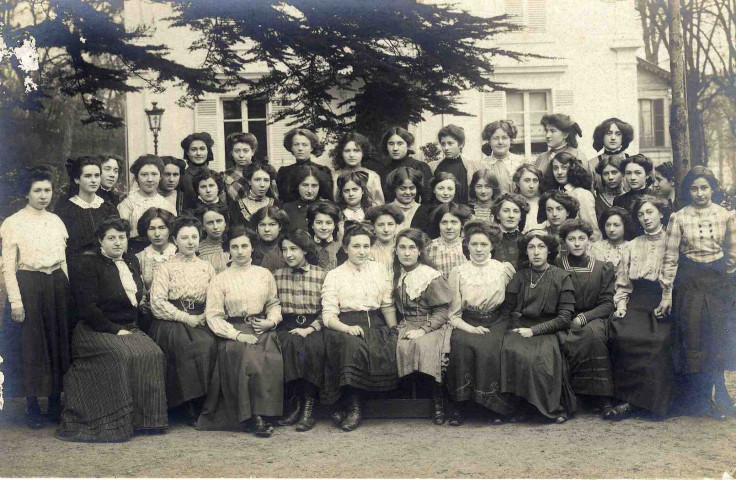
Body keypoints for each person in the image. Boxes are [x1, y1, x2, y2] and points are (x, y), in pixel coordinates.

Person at [57, 217, 167, 442]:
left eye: (122, 237)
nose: (117, 243)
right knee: (121, 355)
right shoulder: (87, 265)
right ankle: (114, 422)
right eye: (111, 238)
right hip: (93, 330)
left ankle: (146, 421)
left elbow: (134, 298)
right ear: (100, 240)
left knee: (154, 353)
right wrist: (115, 330)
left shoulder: (130, 262)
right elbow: (87, 308)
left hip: (127, 328)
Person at [658, 167, 736, 420]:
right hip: (689, 284)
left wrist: (723, 276)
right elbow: (670, 258)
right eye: (694, 188)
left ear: (712, 189)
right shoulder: (678, 218)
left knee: (717, 339)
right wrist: (667, 293)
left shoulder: (726, 216)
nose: (700, 193)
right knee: (695, 339)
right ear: (687, 191)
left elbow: (733, 252)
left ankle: (721, 395)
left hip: (718, 285)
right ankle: (703, 400)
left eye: (704, 188)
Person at [1, 167, 71, 429]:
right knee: (31, 344)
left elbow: (63, 261)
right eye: (37, 191)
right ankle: (32, 406)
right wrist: (16, 302)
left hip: (56, 285)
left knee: (56, 340)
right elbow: (9, 266)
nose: (43, 196)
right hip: (29, 284)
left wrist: (68, 290)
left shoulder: (56, 221)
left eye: (47, 190)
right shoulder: (13, 223)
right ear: (26, 193)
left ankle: (54, 402)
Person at [197, 226, 283, 437]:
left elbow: (273, 303)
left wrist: (270, 322)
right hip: (233, 331)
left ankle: (268, 413)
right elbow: (214, 316)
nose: (240, 251)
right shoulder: (220, 279)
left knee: (271, 358)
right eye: (234, 247)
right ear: (228, 250)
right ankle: (254, 417)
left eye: (245, 246)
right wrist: (236, 334)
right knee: (248, 358)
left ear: (252, 248)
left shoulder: (264, 275)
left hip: (261, 327)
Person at [320, 222, 398, 431]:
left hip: (375, 322)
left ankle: (373, 404)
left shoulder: (380, 270)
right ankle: (353, 407)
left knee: (388, 343)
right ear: (345, 248)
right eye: (356, 246)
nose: (362, 251)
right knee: (352, 347)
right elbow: (328, 315)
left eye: (366, 246)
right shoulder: (335, 275)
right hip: (343, 325)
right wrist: (346, 328)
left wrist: (393, 329)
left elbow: (387, 305)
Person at [445, 221, 517, 425]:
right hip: (467, 320)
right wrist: (469, 327)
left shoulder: (503, 270)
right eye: (474, 244)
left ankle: (494, 406)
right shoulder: (458, 272)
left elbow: (511, 302)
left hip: (498, 320)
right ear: (466, 245)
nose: (478, 249)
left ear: (492, 246)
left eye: (483, 244)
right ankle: (460, 406)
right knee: (461, 345)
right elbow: (453, 313)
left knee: (492, 348)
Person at [500, 230, 577, 423]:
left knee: (539, 358)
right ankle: (521, 407)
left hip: (549, 329)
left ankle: (548, 408)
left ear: (549, 251)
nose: (536, 252)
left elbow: (565, 317)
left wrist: (534, 331)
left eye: (541, 247)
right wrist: (515, 326)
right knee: (510, 349)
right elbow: (507, 310)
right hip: (520, 327)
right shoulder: (520, 277)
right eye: (531, 247)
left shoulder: (561, 277)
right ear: (526, 251)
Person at [608, 195, 674, 420]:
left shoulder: (673, 242)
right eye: (641, 214)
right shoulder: (632, 246)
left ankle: (652, 403)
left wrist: (668, 299)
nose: (645, 218)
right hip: (637, 301)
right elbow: (624, 284)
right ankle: (628, 399)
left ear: (661, 213)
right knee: (623, 335)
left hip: (663, 301)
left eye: (650, 212)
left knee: (657, 340)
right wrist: (621, 305)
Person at [149, 216, 217, 424]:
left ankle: (204, 401)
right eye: (184, 237)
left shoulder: (207, 267)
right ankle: (186, 403)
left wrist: (204, 316)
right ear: (175, 240)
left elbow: (215, 299)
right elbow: (157, 302)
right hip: (171, 320)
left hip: (200, 318)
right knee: (185, 346)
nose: (190, 242)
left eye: (194, 237)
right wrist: (186, 318)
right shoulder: (165, 267)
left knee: (209, 344)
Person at [555, 219, 616, 416]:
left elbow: (607, 303)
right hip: (561, 317)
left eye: (582, 238)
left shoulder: (602, 267)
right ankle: (570, 399)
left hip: (592, 317)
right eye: (571, 239)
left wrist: (584, 317)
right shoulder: (556, 266)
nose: (577, 243)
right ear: (564, 242)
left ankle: (603, 398)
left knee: (594, 334)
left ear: (589, 241)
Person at [393, 228, 452, 424]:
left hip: (432, 324)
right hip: (407, 323)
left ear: (420, 251)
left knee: (424, 346)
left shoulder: (430, 276)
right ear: (396, 250)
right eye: (402, 248)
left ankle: (438, 402)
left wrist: (423, 330)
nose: (407, 253)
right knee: (396, 345)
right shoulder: (396, 274)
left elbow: (442, 313)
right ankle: (404, 401)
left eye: (412, 248)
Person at [272, 229, 329, 432]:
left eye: (294, 249)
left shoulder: (321, 275)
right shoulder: (276, 276)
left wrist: (311, 328)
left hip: (314, 325)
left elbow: (329, 309)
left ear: (304, 250)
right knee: (286, 345)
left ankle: (308, 407)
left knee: (312, 348)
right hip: (286, 324)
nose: (289, 254)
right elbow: (271, 305)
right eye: (285, 249)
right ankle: (295, 404)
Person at [56, 156, 119, 259]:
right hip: (77, 268)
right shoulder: (65, 210)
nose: (94, 180)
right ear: (77, 179)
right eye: (88, 176)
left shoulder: (109, 209)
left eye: (97, 175)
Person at [117, 155, 176, 254]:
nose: (150, 179)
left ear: (160, 176)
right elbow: (122, 236)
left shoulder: (167, 205)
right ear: (137, 178)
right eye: (144, 174)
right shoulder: (127, 204)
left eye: (154, 174)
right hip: (135, 252)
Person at [544, 152, 601, 241]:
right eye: (555, 168)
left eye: (564, 168)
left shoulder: (581, 194)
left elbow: (593, 232)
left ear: (572, 169)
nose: (559, 172)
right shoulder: (555, 193)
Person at [276, 128, 333, 203]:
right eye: (296, 144)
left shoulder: (322, 170)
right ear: (291, 147)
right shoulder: (284, 172)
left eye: (304, 145)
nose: (300, 148)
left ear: (312, 147)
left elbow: (328, 200)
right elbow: (282, 199)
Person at [379, 126, 433, 203]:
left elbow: (428, 198)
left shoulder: (419, 167)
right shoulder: (383, 171)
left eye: (400, 143)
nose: (395, 148)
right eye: (391, 144)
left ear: (408, 145)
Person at [331, 132, 385, 205]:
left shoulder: (373, 176)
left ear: (363, 153)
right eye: (347, 151)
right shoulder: (334, 176)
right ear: (342, 153)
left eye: (356, 151)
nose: (351, 155)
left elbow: (379, 204)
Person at [433, 124, 480, 203]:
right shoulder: (434, 166)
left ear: (461, 144)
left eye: (450, 143)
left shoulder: (472, 166)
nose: (446, 148)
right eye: (443, 144)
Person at [480, 120, 529, 194]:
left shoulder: (522, 163)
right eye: (496, 138)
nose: (500, 142)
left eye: (504, 138)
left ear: (511, 140)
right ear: (489, 141)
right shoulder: (482, 165)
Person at [425, 203, 471, 279]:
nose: (449, 227)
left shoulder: (469, 246)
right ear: (438, 224)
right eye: (444, 222)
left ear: (462, 224)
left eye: (454, 222)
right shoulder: (429, 247)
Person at [135, 208, 177, 289]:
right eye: (151, 229)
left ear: (170, 229)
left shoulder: (179, 253)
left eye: (162, 228)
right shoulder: (140, 258)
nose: (157, 234)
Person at [282, 164, 333, 232]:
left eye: (314, 186)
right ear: (297, 186)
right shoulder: (287, 208)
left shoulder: (328, 206)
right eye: (305, 185)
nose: (309, 190)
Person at [227, 161, 280, 226]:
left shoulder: (277, 204)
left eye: (266, 180)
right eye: (257, 180)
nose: (262, 185)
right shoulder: (235, 207)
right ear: (249, 181)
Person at [587, 118, 634, 190]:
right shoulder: (591, 164)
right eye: (609, 133)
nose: (613, 138)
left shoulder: (633, 162)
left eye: (618, 134)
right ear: (602, 136)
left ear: (623, 137)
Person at [614, 154, 654, 239]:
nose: (632, 177)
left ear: (647, 175)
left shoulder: (657, 198)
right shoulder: (619, 200)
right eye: (628, 173)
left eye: (638, 173)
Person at [490, 193, 529, 269]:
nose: (511, 215)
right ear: (497, 215)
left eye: (516, 211)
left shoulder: (526, 240)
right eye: (506, 211)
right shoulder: (489, 239)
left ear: (521, 216)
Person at [365, 204, 405, 276]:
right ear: (373, 227)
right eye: (380, 225)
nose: (386, 230)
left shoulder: (403, 247)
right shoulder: (369, 250)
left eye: (390, 224)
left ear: (396, 225)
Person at [180, 132, 215, 210]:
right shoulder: (181, 177)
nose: (198, 153)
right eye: (194, 149)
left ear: (208, 151)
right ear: (187, 153)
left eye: (202, 149)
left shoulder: (215, 175)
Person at [420, 171, 461, 238]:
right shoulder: (423, 210)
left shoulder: (459, 210)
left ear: (455, 191)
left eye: (450, 189)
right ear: (434, 190)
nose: (445, 193)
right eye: (441, 188)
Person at [250, 206, 290, 272]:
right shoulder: (252, 246)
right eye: (262, 225)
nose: (267, 229)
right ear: (257, 227)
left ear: (280, 226)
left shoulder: (287, 246)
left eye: (272, 224)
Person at [386, 166, 425, 232]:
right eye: (402, 188)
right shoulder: (386, 210)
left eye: (412, 188)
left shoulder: (424, 211)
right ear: (394, 189)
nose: (408, 192)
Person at [307, 200, 342, 271]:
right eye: (319, 223)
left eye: (328, 223)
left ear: (334, 225)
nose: (324, 227)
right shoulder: (306, 246)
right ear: (312, 225)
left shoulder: (340, 246)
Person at [223, 132, 258, 202]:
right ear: (232, 153)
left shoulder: (263, 172)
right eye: (237, 151)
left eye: (245, 151)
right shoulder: (226, 176)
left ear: (253, 152)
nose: (241, 155)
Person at [196, 204, 231, 273]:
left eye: (219, 221)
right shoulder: (198, 250)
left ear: (225, 223)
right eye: (210, 223)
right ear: (203, 226)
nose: (215, 227)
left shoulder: (234, 245)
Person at [513, 164, 545, 232]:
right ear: (518, 183)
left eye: (535, 181)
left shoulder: (543, 203)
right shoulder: (512, 203)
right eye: (527, 180)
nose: (531, 186)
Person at [594, 155, 625, 220]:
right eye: (606, 174)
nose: (610, 177)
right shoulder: (597, 201)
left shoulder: (631, 198)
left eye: (614, 172)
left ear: (623, 173)